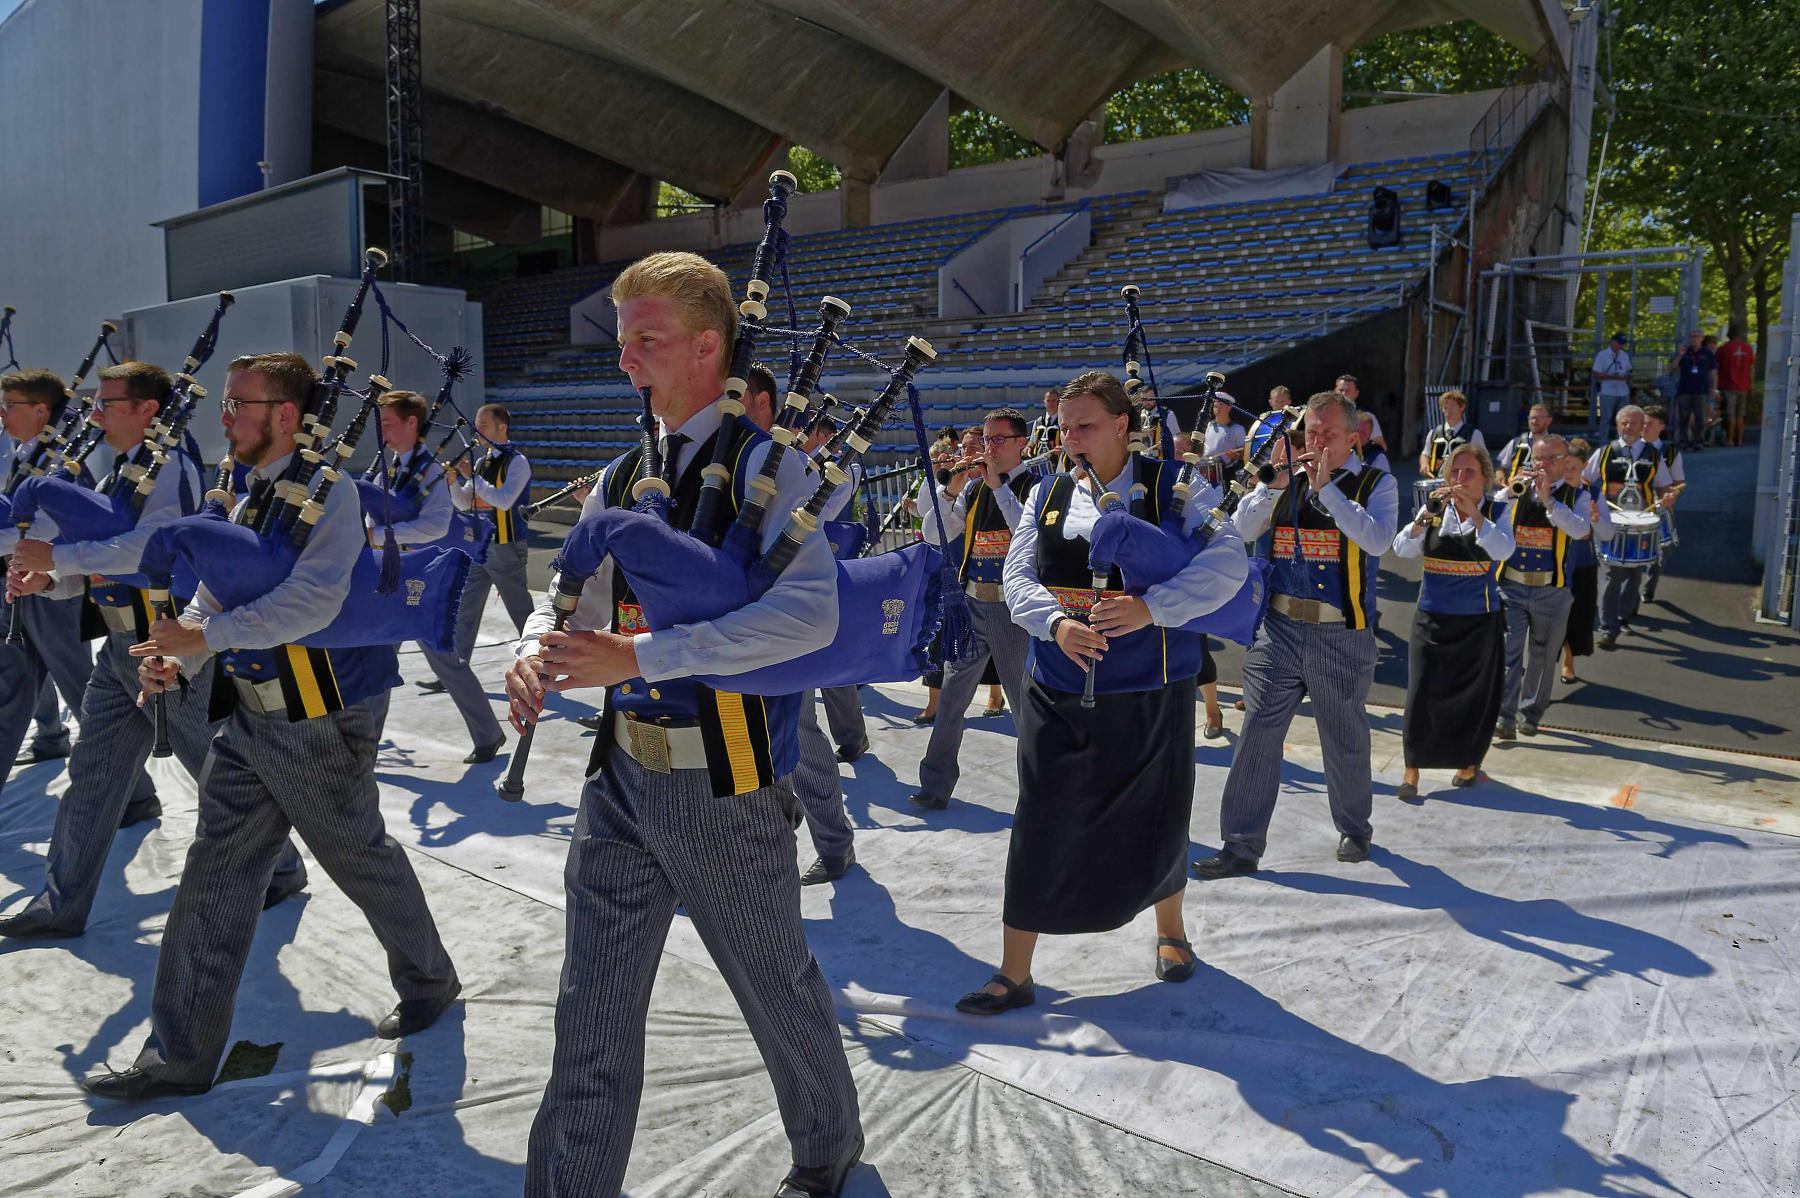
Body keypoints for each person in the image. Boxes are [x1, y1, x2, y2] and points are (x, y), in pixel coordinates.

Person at [504, 252, 863, 1198]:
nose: (627, 360)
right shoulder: (619, 477)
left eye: (648, 340)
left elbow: (809, 617)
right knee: (591, 1005)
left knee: (772, 984)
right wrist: (538, 645)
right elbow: (569, 591)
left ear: (710, 346)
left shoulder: (772, 469)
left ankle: (828, 1147)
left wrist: (644, 659)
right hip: (619, 773)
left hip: (729, 779)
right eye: (623, 341)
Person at [83, 351, 460, 1101]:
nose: (225, 418)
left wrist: (203, 642)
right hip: (254, 715)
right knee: (215, 871)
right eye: (226, 404)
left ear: (285, 415)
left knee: (359, 856)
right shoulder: (246, 490)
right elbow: (215, 597)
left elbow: (312, 603)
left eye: (239, 405)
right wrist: (179, 652)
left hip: (321, 714)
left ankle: (429, 978)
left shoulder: (335, 493)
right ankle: (180, 1055)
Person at [954, 371, 1246, 1016]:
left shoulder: (1179, 485)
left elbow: (1229, 560)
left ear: (1123, 425)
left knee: (1160, 810)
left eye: (1086, 424)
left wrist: (1154, 608)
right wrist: (1055, 624)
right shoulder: (1047, 492)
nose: (1072, 436)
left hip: (1152, 683)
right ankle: (1014, 971)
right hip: (1058, 683)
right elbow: (1018, 572)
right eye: (1066, 425)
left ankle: (1171, 930)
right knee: (1041, 818)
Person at [1, 360, 308, 940]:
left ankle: (283, 866)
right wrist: (49, 579)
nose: (93, 414)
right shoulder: (119, 474)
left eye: (106, 404)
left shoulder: (174, 472)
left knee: (217, 774)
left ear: (146, 409)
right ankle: (61, 902)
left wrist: (59, 561)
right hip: (118, 647)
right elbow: (95, 553)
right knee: (90, 774)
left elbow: (147, 550)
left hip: (168, 651)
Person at [1196, 391, 1397, 876]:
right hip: (1278, 630)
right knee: (1258, 733)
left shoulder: (1377, 482)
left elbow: (1378, 539)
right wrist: (1271, 485)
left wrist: (1327, 489)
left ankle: (1354, 827)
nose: (1317, 441)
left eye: (1328, 433)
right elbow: (1239, 532)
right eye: (1310, 432)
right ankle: (1241, 844)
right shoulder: (1285, 479)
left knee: (1344, 736)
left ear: (1353, 438)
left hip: (1341, 634)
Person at [363, 389, 508, 763]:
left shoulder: (428, 470)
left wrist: (378, 536)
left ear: (412, 423)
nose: (382, 430)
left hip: (419, 578)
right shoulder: (388, 466)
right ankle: (366, 743)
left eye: (389, 423)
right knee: (379, 657)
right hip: (389, 575)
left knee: (444, 660)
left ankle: (488, 733)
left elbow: (435, 524)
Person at [908, 407, 1036, 812]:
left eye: (999, 439)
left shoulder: (1037, 487)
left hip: (1012, 612)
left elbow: (1024, 530)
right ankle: (936, 783)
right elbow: (934, 532)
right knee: (951, 697)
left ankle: (1038, 792)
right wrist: (951, 488)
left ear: (1022, 443)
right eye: (986, 438)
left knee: (1025, 705)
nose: (989, 446)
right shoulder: (973, 488)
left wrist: (997, 484)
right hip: (970, 604)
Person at [1391, 443, 1515, 799]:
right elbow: (1401, 548)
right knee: (1421, 693)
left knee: (1474, 698)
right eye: (1455, 472)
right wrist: (1422, 517)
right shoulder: (1432, 511)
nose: (1461, 479)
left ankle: (1468, 761)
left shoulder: (1497, 511)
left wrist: (1476, 515)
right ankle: (1412, 768)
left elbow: (1504, 551)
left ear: (1485, 479)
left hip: (1479, 620)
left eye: (1469, 472)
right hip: (1432, 618)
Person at [0, 367, 105, 785]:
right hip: (16, 583)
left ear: (41, 411)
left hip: (55, 587)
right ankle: (48, 738)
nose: (2, 413)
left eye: (10, 406)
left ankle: (134, 795)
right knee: (8, 688)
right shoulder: (20, 452)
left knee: (83, 691)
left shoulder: (66, 463)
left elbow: (42, 530)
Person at [788, 410, 863, 886]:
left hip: (796, 605)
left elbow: (818, 513)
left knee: (799, 734)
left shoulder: (833, 467)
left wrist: (807, 461)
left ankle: (835, 844)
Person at [1494, 434, 1593, 738]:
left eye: (1551, 459)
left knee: (1542, 654)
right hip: (1511, 586)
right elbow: (1489, 509)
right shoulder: (1519, 489)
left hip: (1552, 589)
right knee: (1508, 654)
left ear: (1566, 462)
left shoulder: (1578, 496)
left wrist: (1550, 499)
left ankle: (1530, 714)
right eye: (1539, 459)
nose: (1544, 465)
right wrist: (1510, 491)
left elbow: (1579, 530)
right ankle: (1504, 718)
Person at [1582, 404, 1671, 648]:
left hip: (1641, 522)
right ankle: (1609, 627)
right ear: (1618, 425)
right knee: (1611, 572)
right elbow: (1584, 479)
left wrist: (1667, 497)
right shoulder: (1604, 452)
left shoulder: (1654, 454)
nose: (1628, 427)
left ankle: (1624, 616)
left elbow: (1664, 485)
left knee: (1634, 572)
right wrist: (1590, 502)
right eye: (1623, 423)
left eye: (1633, 423)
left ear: (1643, 426)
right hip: (1610, 520)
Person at [1560, 438, 1602, 683]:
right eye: (1564, 466)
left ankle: (1568, 659)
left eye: (1573, 468)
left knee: (1576, 615)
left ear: (1584, 467)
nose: (1567, 473)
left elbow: (1608, 532)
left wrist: (1597, 520)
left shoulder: (1593, 494)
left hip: (1582, 562)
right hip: (1550, 562)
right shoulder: (1548, 491)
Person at [1639, 404, 1685, 606]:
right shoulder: (1630, 448)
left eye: (1649, 424)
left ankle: (1648, 589)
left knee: (1660, 552)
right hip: (1632, 509)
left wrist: (1672, 495)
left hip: (1658, 510)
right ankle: (1629, 594)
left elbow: (1678, 482)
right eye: (1642, 423)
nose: (1644, 428)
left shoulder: (1671, 453)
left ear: (1662, 426)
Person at [1419, 389, 1485, 478]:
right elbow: (1426, 454)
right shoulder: (1433, 433)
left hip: (1461, 483)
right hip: (1436, 482)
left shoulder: (1473, 434)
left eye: (1452, 406)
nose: (1448, 411)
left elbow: (1483, 460)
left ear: (1462, 407)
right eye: (1445, 408)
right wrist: (1424, 464)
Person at [1670, 329, 1715, 452]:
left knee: (1700, 417)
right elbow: (1672, 368)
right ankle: (1683, 441)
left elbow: (1713, 371)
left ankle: (1698, 442)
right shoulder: (1684, 351)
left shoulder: (1707, 353)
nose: (1693, 339)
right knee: (1683, 417)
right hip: (1685, 390)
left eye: (1696, 337)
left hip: (1701, 390)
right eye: (1691, 337)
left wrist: (1714, 388)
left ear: (1701, 338)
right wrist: (1680, 355)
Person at [1717, 323, 1754, 447]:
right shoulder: (1748, 349)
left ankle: (1730, 439)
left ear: (1728, 335)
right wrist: (1751, 384)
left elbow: (1717, 368)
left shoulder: (1723, 349)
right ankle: (1740, 439)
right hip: (1744, 386)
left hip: (1728, 386)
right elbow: (1751, 369)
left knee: (1730, 414)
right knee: (1740, 415)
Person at [1496, 403, 1553, 483]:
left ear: (1549, 421)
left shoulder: (1557, 445)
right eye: (1531, 417)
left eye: (1539, 418)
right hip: (1516, 493)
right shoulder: (1515, 442)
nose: (1534, 421)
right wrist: (1500, 476)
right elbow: (1501, 468)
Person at [1590, 333, 1633, 434]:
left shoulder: (1624, 355)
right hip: (1607, 392)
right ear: (1612, 342)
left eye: (1622, 344)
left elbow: (1629, 370)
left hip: (1623, 391)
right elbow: (1596, 374)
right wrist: (1615, 377)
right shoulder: (1602, 355)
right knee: (1606, 418)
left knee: (1624, 418)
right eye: (1619, 343)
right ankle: (1603, 442)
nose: (1620, 346)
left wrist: (1628, 375)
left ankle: (1622, 441)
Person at [1200, 395, 1245, 490]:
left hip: (1227, 471)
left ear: (1229, 408)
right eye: (1215, 406)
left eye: (1221, 407)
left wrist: (1235, 456)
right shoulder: (1208, 426)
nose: (1218, 409)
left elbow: (1245, 452)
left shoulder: (1237, 429)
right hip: (1206, 469)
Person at [1334, 374, 1386, 450]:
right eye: (1341, 390)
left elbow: (1381, 446)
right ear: (1335, 391)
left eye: (1348, 391)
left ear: (1356, 394)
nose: (1344, 394)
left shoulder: (1367, 418)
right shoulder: (1324, 415)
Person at [1024, 387, 1062, 460]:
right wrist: (1028, 448)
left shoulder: (1063, 421)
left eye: (1054, 400)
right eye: (1048, 401)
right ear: (1044, 402)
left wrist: (1062, 448)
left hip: (1057, 461)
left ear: (1059, 402)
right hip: (1039, 460)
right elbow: (1032, 441)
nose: (1051, 403)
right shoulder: (1039, 421)